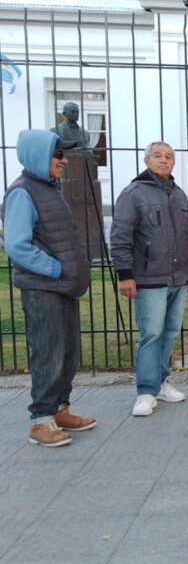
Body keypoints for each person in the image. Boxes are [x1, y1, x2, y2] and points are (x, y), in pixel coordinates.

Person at [1, 130, 92, 446]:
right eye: (58, 155)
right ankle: (41, 420)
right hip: (44, 288)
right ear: (40, 156)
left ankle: (59, 408)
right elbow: (16, 244)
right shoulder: (23, 193)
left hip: (62, 287)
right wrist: (55, 269)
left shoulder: (47, 189)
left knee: (68, 351)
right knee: (48, 352)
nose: (63, 161)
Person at [110, 142, 188, 417]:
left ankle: (161, 382)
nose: (164, 160)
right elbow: (120, 235)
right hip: (149, 278)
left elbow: (187, 237)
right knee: (151, 335)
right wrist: (125, 274)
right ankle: (146, 391)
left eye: (169, 156)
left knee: (170, 332)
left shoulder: (180, 195)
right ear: (147, 161)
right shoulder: (133, 194)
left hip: (178, 278)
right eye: (158, 156)